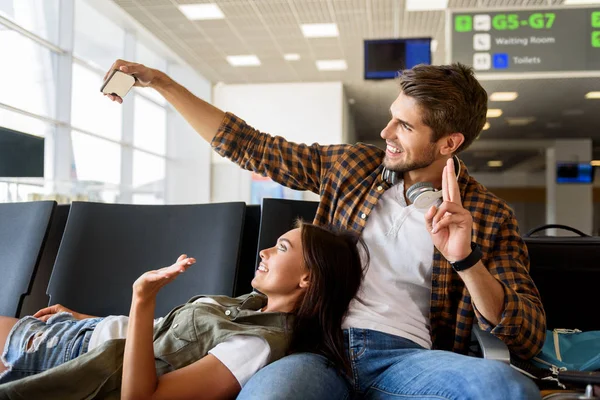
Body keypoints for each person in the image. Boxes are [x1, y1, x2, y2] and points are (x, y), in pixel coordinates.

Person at [101, 60, 546, 399]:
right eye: (393, 116)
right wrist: (162, 83)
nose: (385, 130)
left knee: (506, 388)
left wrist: (466, 260)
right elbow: (251, 146)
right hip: (315, 348)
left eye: (404, 126)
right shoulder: (353, 167)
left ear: (449, 144)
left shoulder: (488, 215)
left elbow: (526, 332)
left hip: (407, 359)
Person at [0, 222, 366, 400]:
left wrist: (142, 298)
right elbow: (163, 334)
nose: (264, 252)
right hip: (76, 332)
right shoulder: (250, 306)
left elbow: (140, 398)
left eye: (281, 248)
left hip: (73, 356)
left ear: (307, 278)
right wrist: (85, 318)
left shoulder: (257, 344)